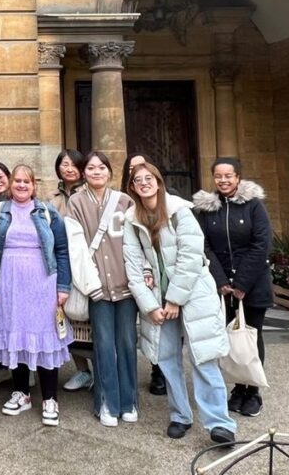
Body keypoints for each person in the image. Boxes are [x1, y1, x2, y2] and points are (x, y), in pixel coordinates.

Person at [123, 162, 236, 446]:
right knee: (167, 359)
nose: (144, 183)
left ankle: (220, 423)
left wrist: (174, 299)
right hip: (158, 300)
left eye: (149, 178)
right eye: (138, 180)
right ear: (133, 187)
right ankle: (180, 416)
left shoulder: (180, 212)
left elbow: (191, 258)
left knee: (203, 357)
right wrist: (150, 305)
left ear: (159, 182)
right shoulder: (131, 220)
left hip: (193, 295)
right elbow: (133, 266)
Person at [0, 164, 72, 427]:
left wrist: (63, 286)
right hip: (7, 283)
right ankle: (21, 393)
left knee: (45, 339)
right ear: (10, 184)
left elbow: (62, 250)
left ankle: (50, 398)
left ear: (34, 185)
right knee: (15, 336)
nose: (21, 185)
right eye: (17, 181)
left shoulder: (47, 212)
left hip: (43, 283)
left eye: (26, 182)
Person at [192, 157, 272, 418]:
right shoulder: (206, 210)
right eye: (218, 176)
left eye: (229, 175)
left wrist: (242, 284)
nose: (223, 180)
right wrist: (222, 281)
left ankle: (252, 391)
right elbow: (204, 246)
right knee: (228, 338)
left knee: (250, 336)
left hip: (252, 285)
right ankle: (237, 388)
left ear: (238, 177)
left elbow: (261, 245)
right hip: (222, 287)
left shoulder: (254, 207)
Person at [67, 151, 137, 426]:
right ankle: (107, 402)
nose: (97, 172)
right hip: (97, 287)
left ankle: (129, 401)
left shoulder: (125, 201)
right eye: (91, 168)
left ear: (109, 171)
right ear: (84, 172)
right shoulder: (76, 202)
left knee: (128, 343)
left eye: (102, 167)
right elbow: (76, 246)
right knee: (104, 345)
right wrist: (89, 284)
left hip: (126, 285)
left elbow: (137, 242)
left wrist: (140, 275)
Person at [121, 152, 167, 397]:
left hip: (167, 274)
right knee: (150, 327)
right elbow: (134, 248)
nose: (139, 175)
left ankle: (165, 372)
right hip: (140, 275)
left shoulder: (171, 205)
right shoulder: (127, 206)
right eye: (133, 170)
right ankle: (157, 370)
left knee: (168, 328)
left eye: (144, 171)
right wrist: (145, 269)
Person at [50, 148, 93, 393]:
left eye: (73, 165)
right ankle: (82, 370)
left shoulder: (88, 193)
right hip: (60, 260)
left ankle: (100, 369)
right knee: (67, 316)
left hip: (86, 260)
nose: (68, 169)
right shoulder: (51, 196)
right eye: (64, 164)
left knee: (90, 317)